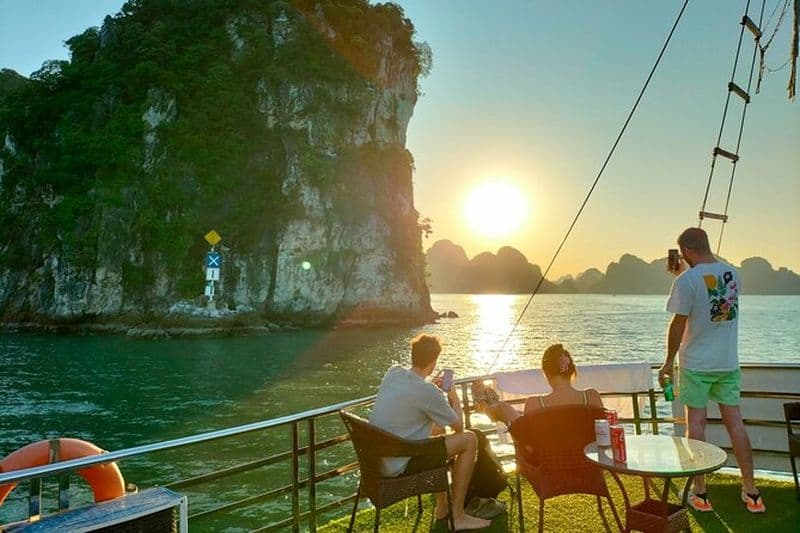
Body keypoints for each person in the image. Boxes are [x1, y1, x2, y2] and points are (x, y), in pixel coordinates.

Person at [658, 227, 765, 513]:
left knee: (697, 425)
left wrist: (668, 361)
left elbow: (679, 324)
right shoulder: (733, 275)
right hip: (728, 363)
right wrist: (685, 273)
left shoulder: (686, 281)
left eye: (683, 253)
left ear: (688, 251)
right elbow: (713, 301)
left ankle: (701, 493)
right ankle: (751, 490)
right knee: (735, 423)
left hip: (696, 364)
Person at [369, 334, 491, 530]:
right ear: (434, 362)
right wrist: (452, 395)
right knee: (469, 439)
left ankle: (442, 509)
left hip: (376, 463)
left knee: (437, 433)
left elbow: (412, 397)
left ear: (413, 355)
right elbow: (459, 427)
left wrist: (431, 387)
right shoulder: (428, 392)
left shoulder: (394, 372)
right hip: (398, 468)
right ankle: (457, 516)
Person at [472, 343, 603, 427]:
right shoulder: (592, 397)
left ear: (545, 373)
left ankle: (485, 406)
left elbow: (528, 440)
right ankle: (490, 405)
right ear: (572, 371)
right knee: (508, 411)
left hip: (548, 467)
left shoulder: (535, 404)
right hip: (588, 466)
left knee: (504, 409)